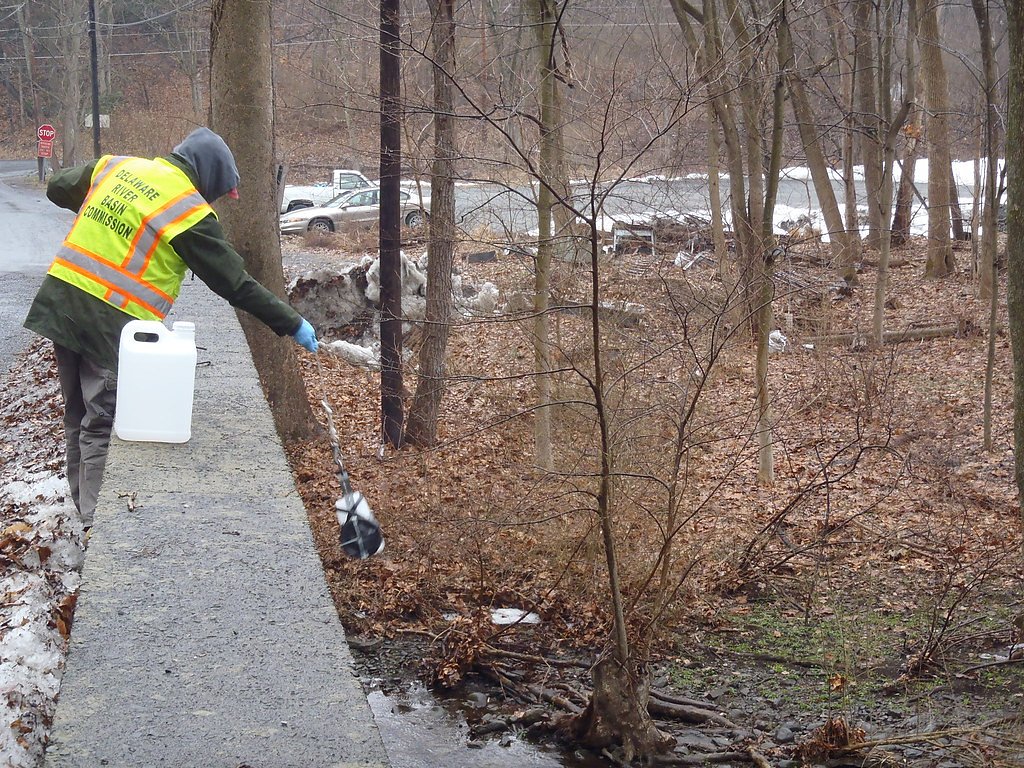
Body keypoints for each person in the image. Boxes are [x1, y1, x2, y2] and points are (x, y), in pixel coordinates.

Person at [24, 126, 319, 529]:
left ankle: (81, 509)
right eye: (219, 190)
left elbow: (58, 186)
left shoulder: (117, 168)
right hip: (110, 320)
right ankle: (96, 526)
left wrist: (110, 212)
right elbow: (235, 283)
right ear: (207, 177)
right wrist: (293, 323)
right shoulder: (187, 211)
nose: (216, 199)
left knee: (76, 413)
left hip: (61, 301)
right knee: (102, 420)